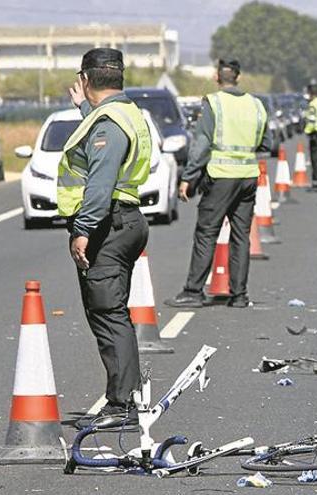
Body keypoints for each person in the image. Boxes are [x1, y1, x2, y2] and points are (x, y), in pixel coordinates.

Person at [58, 48, 151, 429]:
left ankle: (122, 403)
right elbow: (103, 140)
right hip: (124, 221)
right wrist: (85, 108)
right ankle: (124, 396)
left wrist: (83, 230)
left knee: (109, 316)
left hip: (108, 226)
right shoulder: (121, 113)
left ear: (85, 77)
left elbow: (100, 182)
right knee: (111, 314)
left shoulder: (109, 122)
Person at [165, 59, 271, 309]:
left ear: (216, 77)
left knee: (206, 233)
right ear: (238, 77)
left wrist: (189, 177)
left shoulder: (214, 103)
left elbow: (201, 145)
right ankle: (239, 295)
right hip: (247, 177)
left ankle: (193, 291)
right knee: (241, 236)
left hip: (221, 176)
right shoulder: (256, 105)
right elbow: (266, 143)